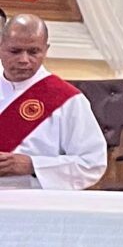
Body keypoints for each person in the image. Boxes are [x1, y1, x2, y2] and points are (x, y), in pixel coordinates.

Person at [0, 12, 107, 189]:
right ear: (1, 46)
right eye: (15, 51)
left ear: (46, 50)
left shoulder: (68, 100)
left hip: (33, 201)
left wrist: (33, 165)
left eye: (34, 52)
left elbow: (92, 163)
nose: (24, 60)